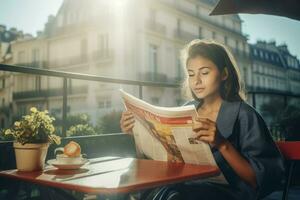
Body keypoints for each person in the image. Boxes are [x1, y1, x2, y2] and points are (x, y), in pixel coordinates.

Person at [120, 39, 285, 200]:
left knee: (170, 195)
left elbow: (257, 180)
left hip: (227, 193)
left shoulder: (246, 115)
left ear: (224, 74)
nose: (196, 81)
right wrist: (138, 132)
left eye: (204, 72)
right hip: (184, 186)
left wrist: (221, 143)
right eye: (191, 74)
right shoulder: (187, 110)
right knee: (127, 182)